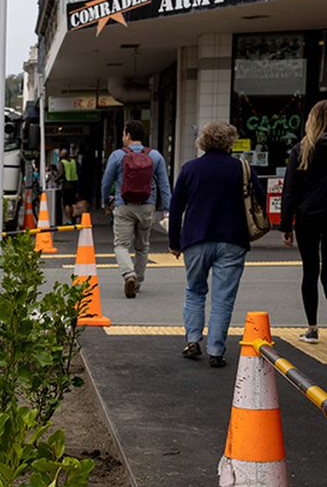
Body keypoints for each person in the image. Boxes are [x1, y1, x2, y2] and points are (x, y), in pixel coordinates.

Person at [168, 121, 265, 368]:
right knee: (223, 298)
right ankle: (216, 351)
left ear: (203, 141)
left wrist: (174, 242)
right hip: (232, 239)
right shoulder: (242, 168)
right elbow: (260, 200)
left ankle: (192, 340)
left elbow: (176, 208)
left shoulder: (190, 169)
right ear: (229, 142)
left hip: (195, 239)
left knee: (194, 290)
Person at [100, 120, 172, 298]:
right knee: (142, 246)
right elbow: (164, 185)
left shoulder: (117, 155)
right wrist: (167, 210)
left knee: (121, 245)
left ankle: (128, 274)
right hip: (147, 206)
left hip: (124, 206)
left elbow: (106, 182)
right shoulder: (155, 156)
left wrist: (105, 199)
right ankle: (138, 280)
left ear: (128, 135)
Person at [279, 99, 327, 343]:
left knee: (310, 271)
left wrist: (286, 225)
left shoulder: (302, 149)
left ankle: (312, 327)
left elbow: (290, 189)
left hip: (307, 217)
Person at [59, 148, 80, 225]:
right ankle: (73, 218)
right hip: (74, 184)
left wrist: (55, 180)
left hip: (66, 185)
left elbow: (61, 174)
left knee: (66, 204)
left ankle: (69, 219)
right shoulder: (73, 162)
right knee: (72, 203)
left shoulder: (63, 162)